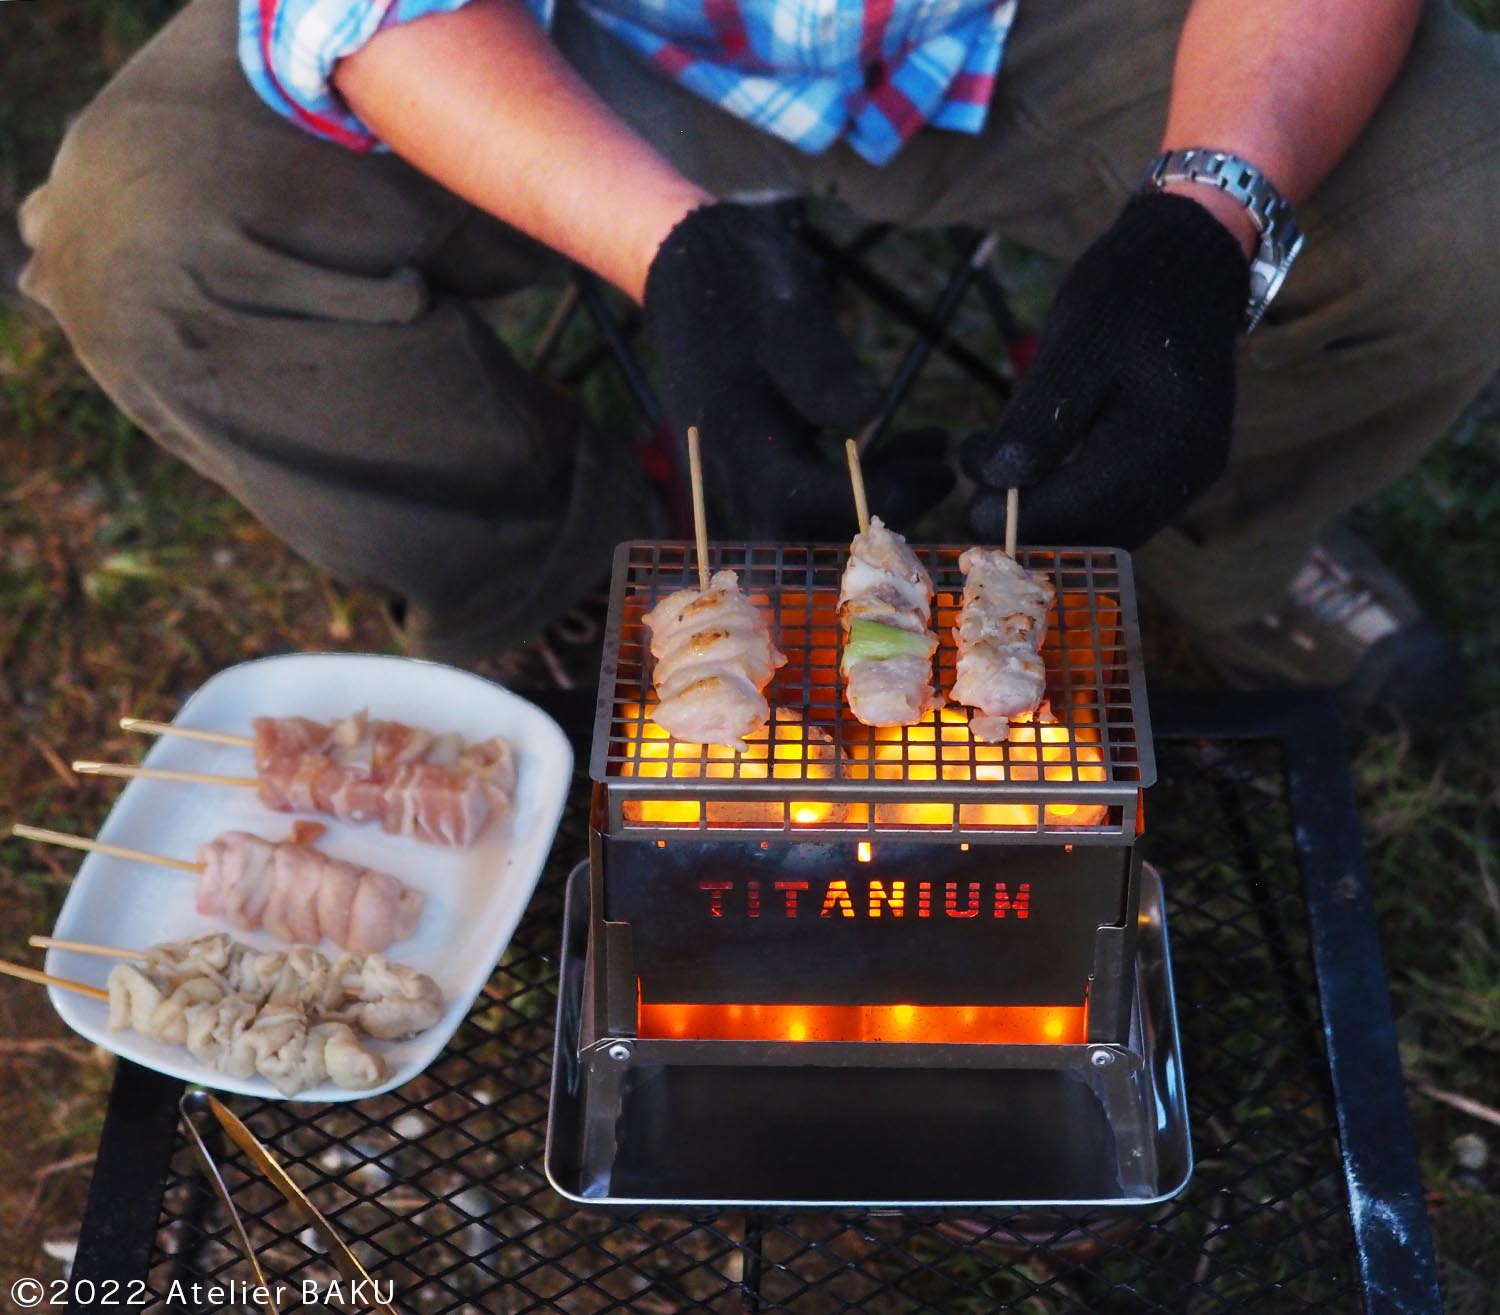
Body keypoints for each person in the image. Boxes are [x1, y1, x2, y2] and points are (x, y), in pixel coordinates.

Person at [16, 0, 1500, 708]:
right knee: (149, 236)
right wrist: (681, 256)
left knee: (1462, 206)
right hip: (563, 41)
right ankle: (567, 580)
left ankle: (1195, 549)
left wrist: (1204, 220)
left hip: (1049, 23)